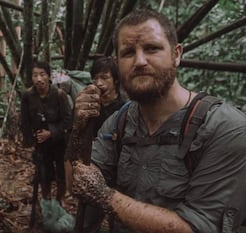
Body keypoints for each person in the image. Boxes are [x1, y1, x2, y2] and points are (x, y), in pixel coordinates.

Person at [67, 9, 246, 233]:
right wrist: (78, 129)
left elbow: (200, 227)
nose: (140, 61)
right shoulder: (119, 122)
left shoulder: (224, 128)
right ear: (117, 62)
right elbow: (76, 182)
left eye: (152, 48)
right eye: (128, 52)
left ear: (176, 54)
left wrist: (105, 196)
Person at [67, 56, 126, 233]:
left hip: (120, 171)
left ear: (115, 80)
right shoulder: (87, 106)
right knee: (87, 221)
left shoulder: (125, 108)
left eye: (104, 77)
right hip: (94, 169)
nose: (99, 83)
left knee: (120, 221)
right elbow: (73, 137)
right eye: (95, 78)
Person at [20, 60, 72, 204]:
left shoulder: (59, 95)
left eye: (42, 74)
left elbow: (68, 121)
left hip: (59, 141)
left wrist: (51, 132)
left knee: (61, 172)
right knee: (44, 172)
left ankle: (60, 197)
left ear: (48, 76)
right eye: (35, 75)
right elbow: (24, 121)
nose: (38, 79)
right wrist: (30, 140)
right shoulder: (28, 96)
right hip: (41, 143)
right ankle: (46, 198)